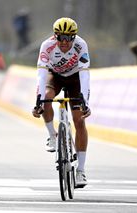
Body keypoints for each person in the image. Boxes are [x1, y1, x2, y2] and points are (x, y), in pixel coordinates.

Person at [32, 17, 91, 188]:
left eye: (69, 38)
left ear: (74, 37)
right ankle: (52, 135)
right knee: (46, 98)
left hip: (75, 79)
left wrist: (85, 101)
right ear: (55, 36)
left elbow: (85, 75)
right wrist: (38, 101)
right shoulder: (46, 46)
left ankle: (80, 170)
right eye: (60, 37)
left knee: (79, 120)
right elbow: (41, 75)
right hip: (55, 76)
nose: (64, 42)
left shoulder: (81, 46)